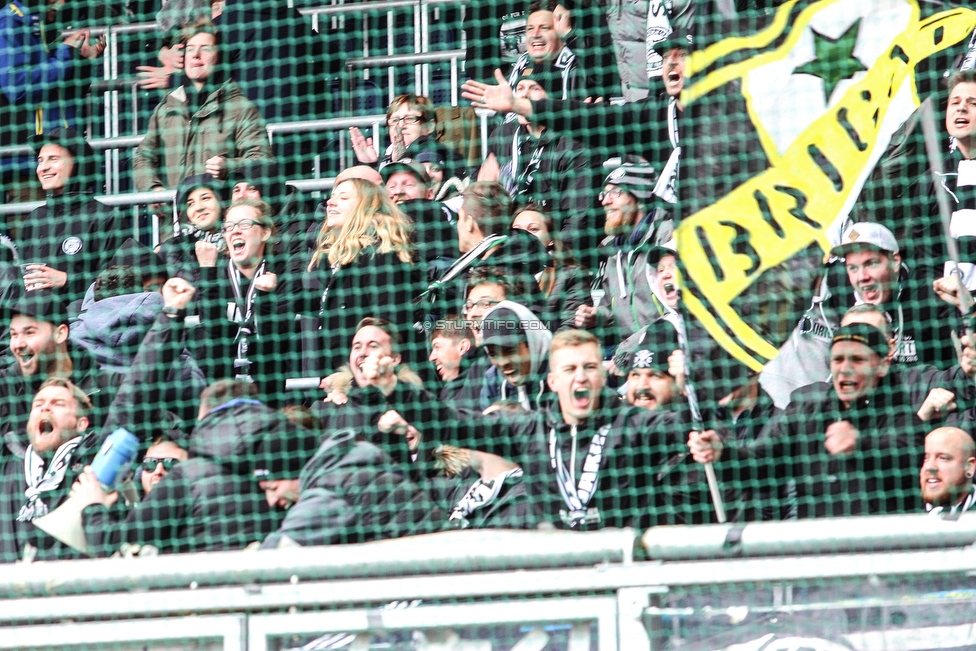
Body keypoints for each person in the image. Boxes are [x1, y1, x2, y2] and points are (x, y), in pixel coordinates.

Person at [373, 329, 686, 530]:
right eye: (569, 369)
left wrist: (690, 388)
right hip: (559, 577)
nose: (580, 378)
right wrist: (395, 390)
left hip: (625, 572)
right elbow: (452, 424)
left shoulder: (635, 426)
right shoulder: (529, 431)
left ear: (603, 378)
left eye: (589, 368)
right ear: (552, 381)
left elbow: (694, 429)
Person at [690, 324, 955, 519]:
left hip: (884, 554)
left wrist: (860, 445)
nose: (844, 368)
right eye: (838, 359)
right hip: (820, 555)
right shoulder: (805, 412)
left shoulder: (901, 413)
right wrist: (722, 451)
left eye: (857, 359)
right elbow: (761, 462)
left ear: (882, 366)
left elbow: (906, 451)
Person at [77, 379, 309, 556]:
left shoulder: (187, 477)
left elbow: (114, 544)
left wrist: (92, 506)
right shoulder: (292, 468)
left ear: (206, 420)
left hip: (204, 604)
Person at [283, 178, 423, 378]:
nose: (330, 202)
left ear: (366, 207)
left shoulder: (378, 255)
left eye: (343, 197)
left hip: (374, 381)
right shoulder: (341, 259)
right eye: (332, 197)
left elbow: (389, 326)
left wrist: (353, 377)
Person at [132, 21, 274, 192]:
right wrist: (153, 190)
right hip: (176, 216)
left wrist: (228, 166)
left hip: (222, 215)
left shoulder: (241, 108)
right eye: (190, 49)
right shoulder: (166, 109)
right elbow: (143, 157)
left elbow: (262, 161)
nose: (196, 55)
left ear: (218, 57)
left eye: (205, 49)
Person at [260, 428, 446, 548]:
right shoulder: (345, 468)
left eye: (273, 487)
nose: (272, 501)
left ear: (296, 472)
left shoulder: (332, 487)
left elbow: (280, 548)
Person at [480, 73, 599, 261]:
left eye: (534, 89)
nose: (524, 95)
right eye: (520, 88)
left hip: (555, 254)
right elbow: (482, 203)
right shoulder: (503, 135)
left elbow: (578, 220)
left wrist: (551, 263)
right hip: (508, 250)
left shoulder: (574, 142)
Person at [0, 0, 105, 196]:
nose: (63, 2)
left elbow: (64, 93)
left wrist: (82, 61)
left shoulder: (42, 24)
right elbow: (17, 87)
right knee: (31, 224)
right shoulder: (10, 22)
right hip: (28, 167)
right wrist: (65, 54)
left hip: (65, 158)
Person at [193, 199, 289, 403]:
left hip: (267, 396)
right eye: (229, 226)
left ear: (265, 232)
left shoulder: (283, 273)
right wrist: (207, 270)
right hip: (219, 395)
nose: (235, 231)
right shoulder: (212, 273)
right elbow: (213, 327)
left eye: (244, 224)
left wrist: (264, 296)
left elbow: (272, 338)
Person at [18, 128, 121, 306]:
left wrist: (67, 280)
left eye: (53, 159)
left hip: (83, 320)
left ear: (77, 163)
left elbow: (118, 282)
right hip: (36, 318)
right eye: (40, 160)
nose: (43, 168)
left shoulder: (105, 217)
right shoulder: (34, 219)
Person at [575, 164, 674, 345]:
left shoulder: (667, 238)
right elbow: (614, 311)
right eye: (604, 195)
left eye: (615, 192)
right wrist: (598, 317)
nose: (605, 202)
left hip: (668, 351)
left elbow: (676, 312)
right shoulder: (612, 254)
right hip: (630, 362)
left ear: (640, 197)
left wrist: (629, 349)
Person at [0, 378, 95, 562]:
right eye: (38, 404)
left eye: (58, 404)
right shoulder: (8, 460)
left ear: (81, 423)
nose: (45, 408)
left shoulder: (93, 459)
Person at [348, 94, 467, 181]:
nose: (400, 125)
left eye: (409, 119)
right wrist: (368, 164)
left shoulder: (435, 153)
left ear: (429, 126)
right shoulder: (386, 158)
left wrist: (400, 159)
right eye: (394, 120)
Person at [512, 202, 591, 332]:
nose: (524, 235)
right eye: (517, 230)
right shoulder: (499, 274)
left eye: (533, 229)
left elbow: (571, 329)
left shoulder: (572, 275)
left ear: (551, 239)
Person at [479, 301, 552, 412]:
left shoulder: (562, 372)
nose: (503, 362)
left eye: (509, 351)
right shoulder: (493, 380)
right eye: (493, 354)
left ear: (532, 342)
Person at [157, 174, 226, 283]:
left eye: (205, 198)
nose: (199, 207)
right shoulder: (172, 248)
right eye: (190, 204)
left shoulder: (237, 239)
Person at [506, 3, 582, 100]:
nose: (535, 34)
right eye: (530, 29)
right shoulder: (521, 65)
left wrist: (569, 35)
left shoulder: (579, 68)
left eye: (544, 28)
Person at [428, 316, 481, 409]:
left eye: (437, 347)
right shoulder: (447, 393)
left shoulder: (484, 378)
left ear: (462, 347)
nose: (431, 357)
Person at [921, 426, 976, 515]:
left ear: (969, 467)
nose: (930, 467)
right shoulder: (902, 511)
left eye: (943, 458)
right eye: (925, 458)